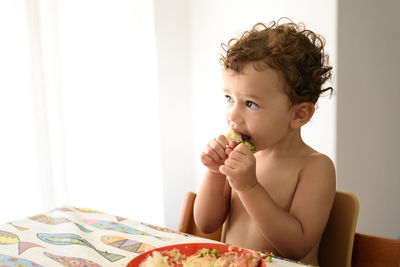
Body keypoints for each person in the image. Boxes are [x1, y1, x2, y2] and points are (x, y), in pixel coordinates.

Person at [193, 18, 336, 266]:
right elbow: (206, 223)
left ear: (298, 114)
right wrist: (215, 174)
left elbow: (296, 247)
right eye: (229, 98)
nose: (233, 116)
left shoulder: (315, 168)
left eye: (250, 104)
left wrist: (249, 188)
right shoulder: (240, 157)